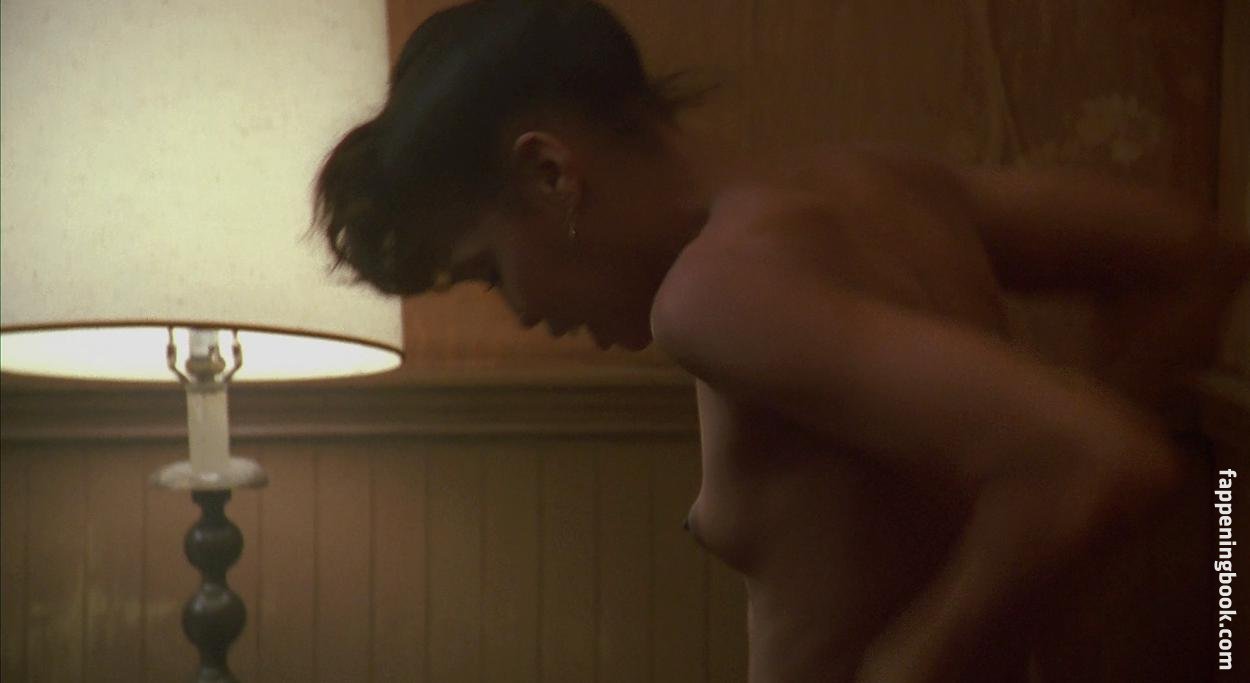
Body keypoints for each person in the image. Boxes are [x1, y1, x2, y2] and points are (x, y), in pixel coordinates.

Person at [312, 1, 1249, 680]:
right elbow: (1190, 252)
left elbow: (1094, 457)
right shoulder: (880, 185)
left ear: (552, 172)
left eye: (487, 268)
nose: (517, 310)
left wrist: (911, 666)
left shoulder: (713, 295)